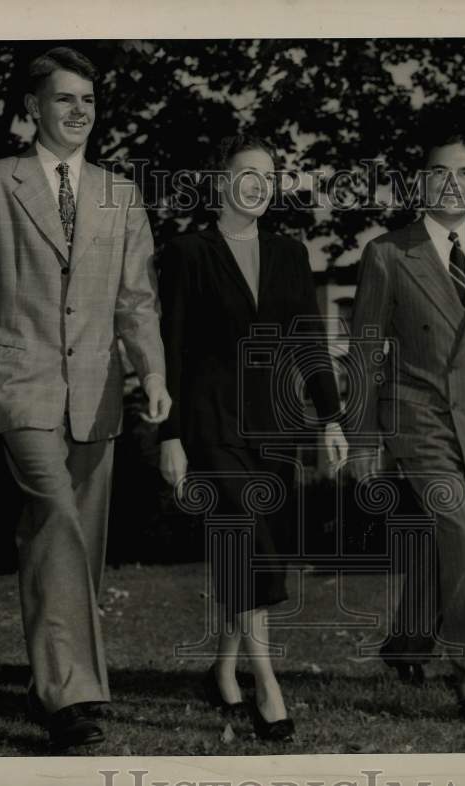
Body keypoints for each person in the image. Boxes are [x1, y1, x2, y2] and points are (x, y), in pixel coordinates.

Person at [0, 46, 171, 750]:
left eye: (89, 100)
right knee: (54, 517)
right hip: (19, 387)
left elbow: (137, 302)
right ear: (33, 108)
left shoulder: (121, 194)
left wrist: (155, 375)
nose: (80, 111)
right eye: (65, 99)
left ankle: (55, 671)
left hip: (98, 394)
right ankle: (70, 694)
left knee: (77, 538)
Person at [157, 135, 348, 741]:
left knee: (250, 547)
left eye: (269, 176)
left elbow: (309, 341)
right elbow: (172, 348)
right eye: (248, 174)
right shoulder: (188, 252)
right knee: (251, 540)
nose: (260, 185)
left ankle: (222, 668)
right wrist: (171, 436)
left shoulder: (290, 254)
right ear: (221, 181)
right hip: (211, 425)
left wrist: (331, 416)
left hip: (275, 426)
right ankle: (268, 682)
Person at [348, 134, 465, 723]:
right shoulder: (387, 253)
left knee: (446, 545)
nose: (453, 182)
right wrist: (361, 439)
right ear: (421, 183)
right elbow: (364, 350)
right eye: (440, 172)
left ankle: (407, 641)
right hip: (418, 419)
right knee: (458, 534)